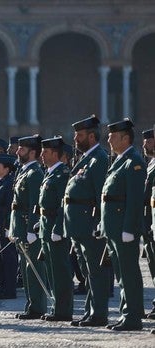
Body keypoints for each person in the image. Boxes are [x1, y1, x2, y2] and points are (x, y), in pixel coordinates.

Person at [64, 115, 110, 328]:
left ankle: (99, 313)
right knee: (86, 272)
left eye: (80, 135)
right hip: (79, 225)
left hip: (89, 225)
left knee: (96, 272)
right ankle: (90, 311)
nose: (75, 139)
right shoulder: (86, 158)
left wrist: (98, 223)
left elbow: (101, 194)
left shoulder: (99, 159)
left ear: (92, 137)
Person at [101, 119, 146, 331]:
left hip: (123, 229)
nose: (108, 139)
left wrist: (129, 227)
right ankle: (125, 312)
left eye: (112, 136)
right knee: (121, 274)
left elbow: (135, 199)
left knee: (129, 273)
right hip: (114, 227)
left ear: (125, 138)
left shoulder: (133, 162)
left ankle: (133, 316)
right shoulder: (120, 160)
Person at [10, 135, 46, 319]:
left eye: (22, 149)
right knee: (25, 270)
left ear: (33, 153)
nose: (17, 152)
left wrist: (32, 229)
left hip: (28, 229)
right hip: (20, 228)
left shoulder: (35, 174)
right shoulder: (24, 171)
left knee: (34, 269)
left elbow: (34, 205)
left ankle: (38, 306)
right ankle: (31, 305)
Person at [38, 136, 73, 322]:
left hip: (55, 228)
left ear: (55, 154)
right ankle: (57, 307)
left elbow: (63, 205)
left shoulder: (62, 173)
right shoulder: (50, 172)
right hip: (46, 226)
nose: (41, 155)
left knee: (60, 271)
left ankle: (64, 310)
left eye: (45, 152)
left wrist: (59, 228)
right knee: (52, 270)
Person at [0, 154, 18, 299]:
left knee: (8, 260)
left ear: (7, 169)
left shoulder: (9, 184)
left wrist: (9, 227)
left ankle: (9, 289)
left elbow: (10, 208)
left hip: (4, 227)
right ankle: (2, 287)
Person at [141, 128, 155, 320]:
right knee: (152, 264)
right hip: (149, 222)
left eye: (148, 141)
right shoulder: (151, 163)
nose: (144, 145)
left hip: (152, 222)